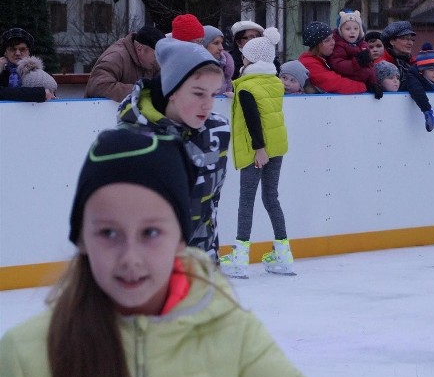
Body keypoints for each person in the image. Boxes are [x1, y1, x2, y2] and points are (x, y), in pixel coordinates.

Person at [0, 128, 359, 377]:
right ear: (81, 240)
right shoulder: (27, 353)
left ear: (181, 239)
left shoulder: (230, 333)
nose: (130, 257)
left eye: (152, 232)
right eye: (108, 232)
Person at [117, 38, 230, 261]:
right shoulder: (134, 138)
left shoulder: (217, 130)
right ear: (172, 90)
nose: (208, 105)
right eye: (198, 93)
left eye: (213, 94)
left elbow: (211, 206)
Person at [219, 28, 296, 279]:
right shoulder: (274, 82)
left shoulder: (246, 88)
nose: (242, 59)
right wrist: (236, 97)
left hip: (258, 150)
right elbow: (261, 106)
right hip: (277, 147)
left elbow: (254, 119)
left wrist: (258, 150)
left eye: (245, 57)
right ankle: (283, 255)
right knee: (271, 198)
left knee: (247, 200)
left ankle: (240, 257)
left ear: (250, 60)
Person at [85, 26, 165, 102]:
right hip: (99, 113)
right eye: (155, 55)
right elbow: (98, 87)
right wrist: (140, 91)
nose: (158, 60)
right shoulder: (116, 57)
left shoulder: (151, 62)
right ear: (140, 49)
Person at [299, 21, 371, 95]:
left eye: (332, 38)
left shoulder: (324, 59)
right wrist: (365, 87)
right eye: (327, 40)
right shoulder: (309, 64)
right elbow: (335, 83)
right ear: (316, 45)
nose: (333, 43)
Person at [328, 10, 378, 91]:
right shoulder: (339, 45)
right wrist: (357, 62)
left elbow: (370, 66)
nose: (352, 32)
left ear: (360, 30)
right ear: (341, 31)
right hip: (348, 84)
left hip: (363, 84)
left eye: (356, 29)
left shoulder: (363, 46)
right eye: (347, 29)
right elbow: (337, 65)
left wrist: (373, 82)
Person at [0, 28, 55, 102]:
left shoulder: (39, 75)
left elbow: (50, 97)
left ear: (29, 52)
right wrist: (39, 93)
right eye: (12, 49)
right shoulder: (2, 72)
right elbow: (43, 93)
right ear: (5, 52)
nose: (17, 53)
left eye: (22, 49)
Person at [379, 20, 418, 90]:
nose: (410, 43)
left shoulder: (415, 63)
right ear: (392, 41)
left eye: (412, 39)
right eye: (405, 39)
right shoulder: (381, 64)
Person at [202, 25, 235, 96]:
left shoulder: (226, 68)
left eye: (221, 43)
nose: (221, 48)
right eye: (216, 43)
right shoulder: (193, 70)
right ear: (203, 45)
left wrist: (233, 99)